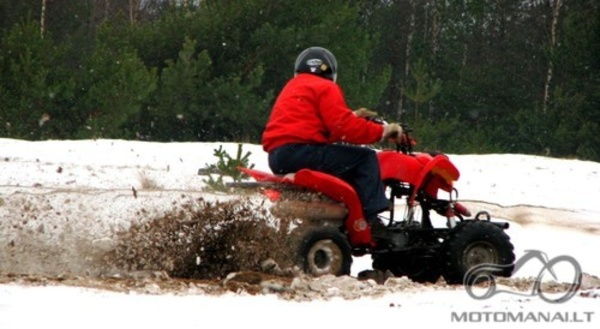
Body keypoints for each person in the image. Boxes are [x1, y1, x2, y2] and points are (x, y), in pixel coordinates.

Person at [261, 46, 402, 243]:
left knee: (340, 162)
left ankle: (341, 217)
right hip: (302, 151)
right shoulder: (326, 87)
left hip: (278, 156)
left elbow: (313, 125)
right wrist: (383, 131)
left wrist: (352, 116)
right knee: (365, 158)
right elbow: (344, 128)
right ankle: (371, 223)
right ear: (330, 71)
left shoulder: (292, 87)